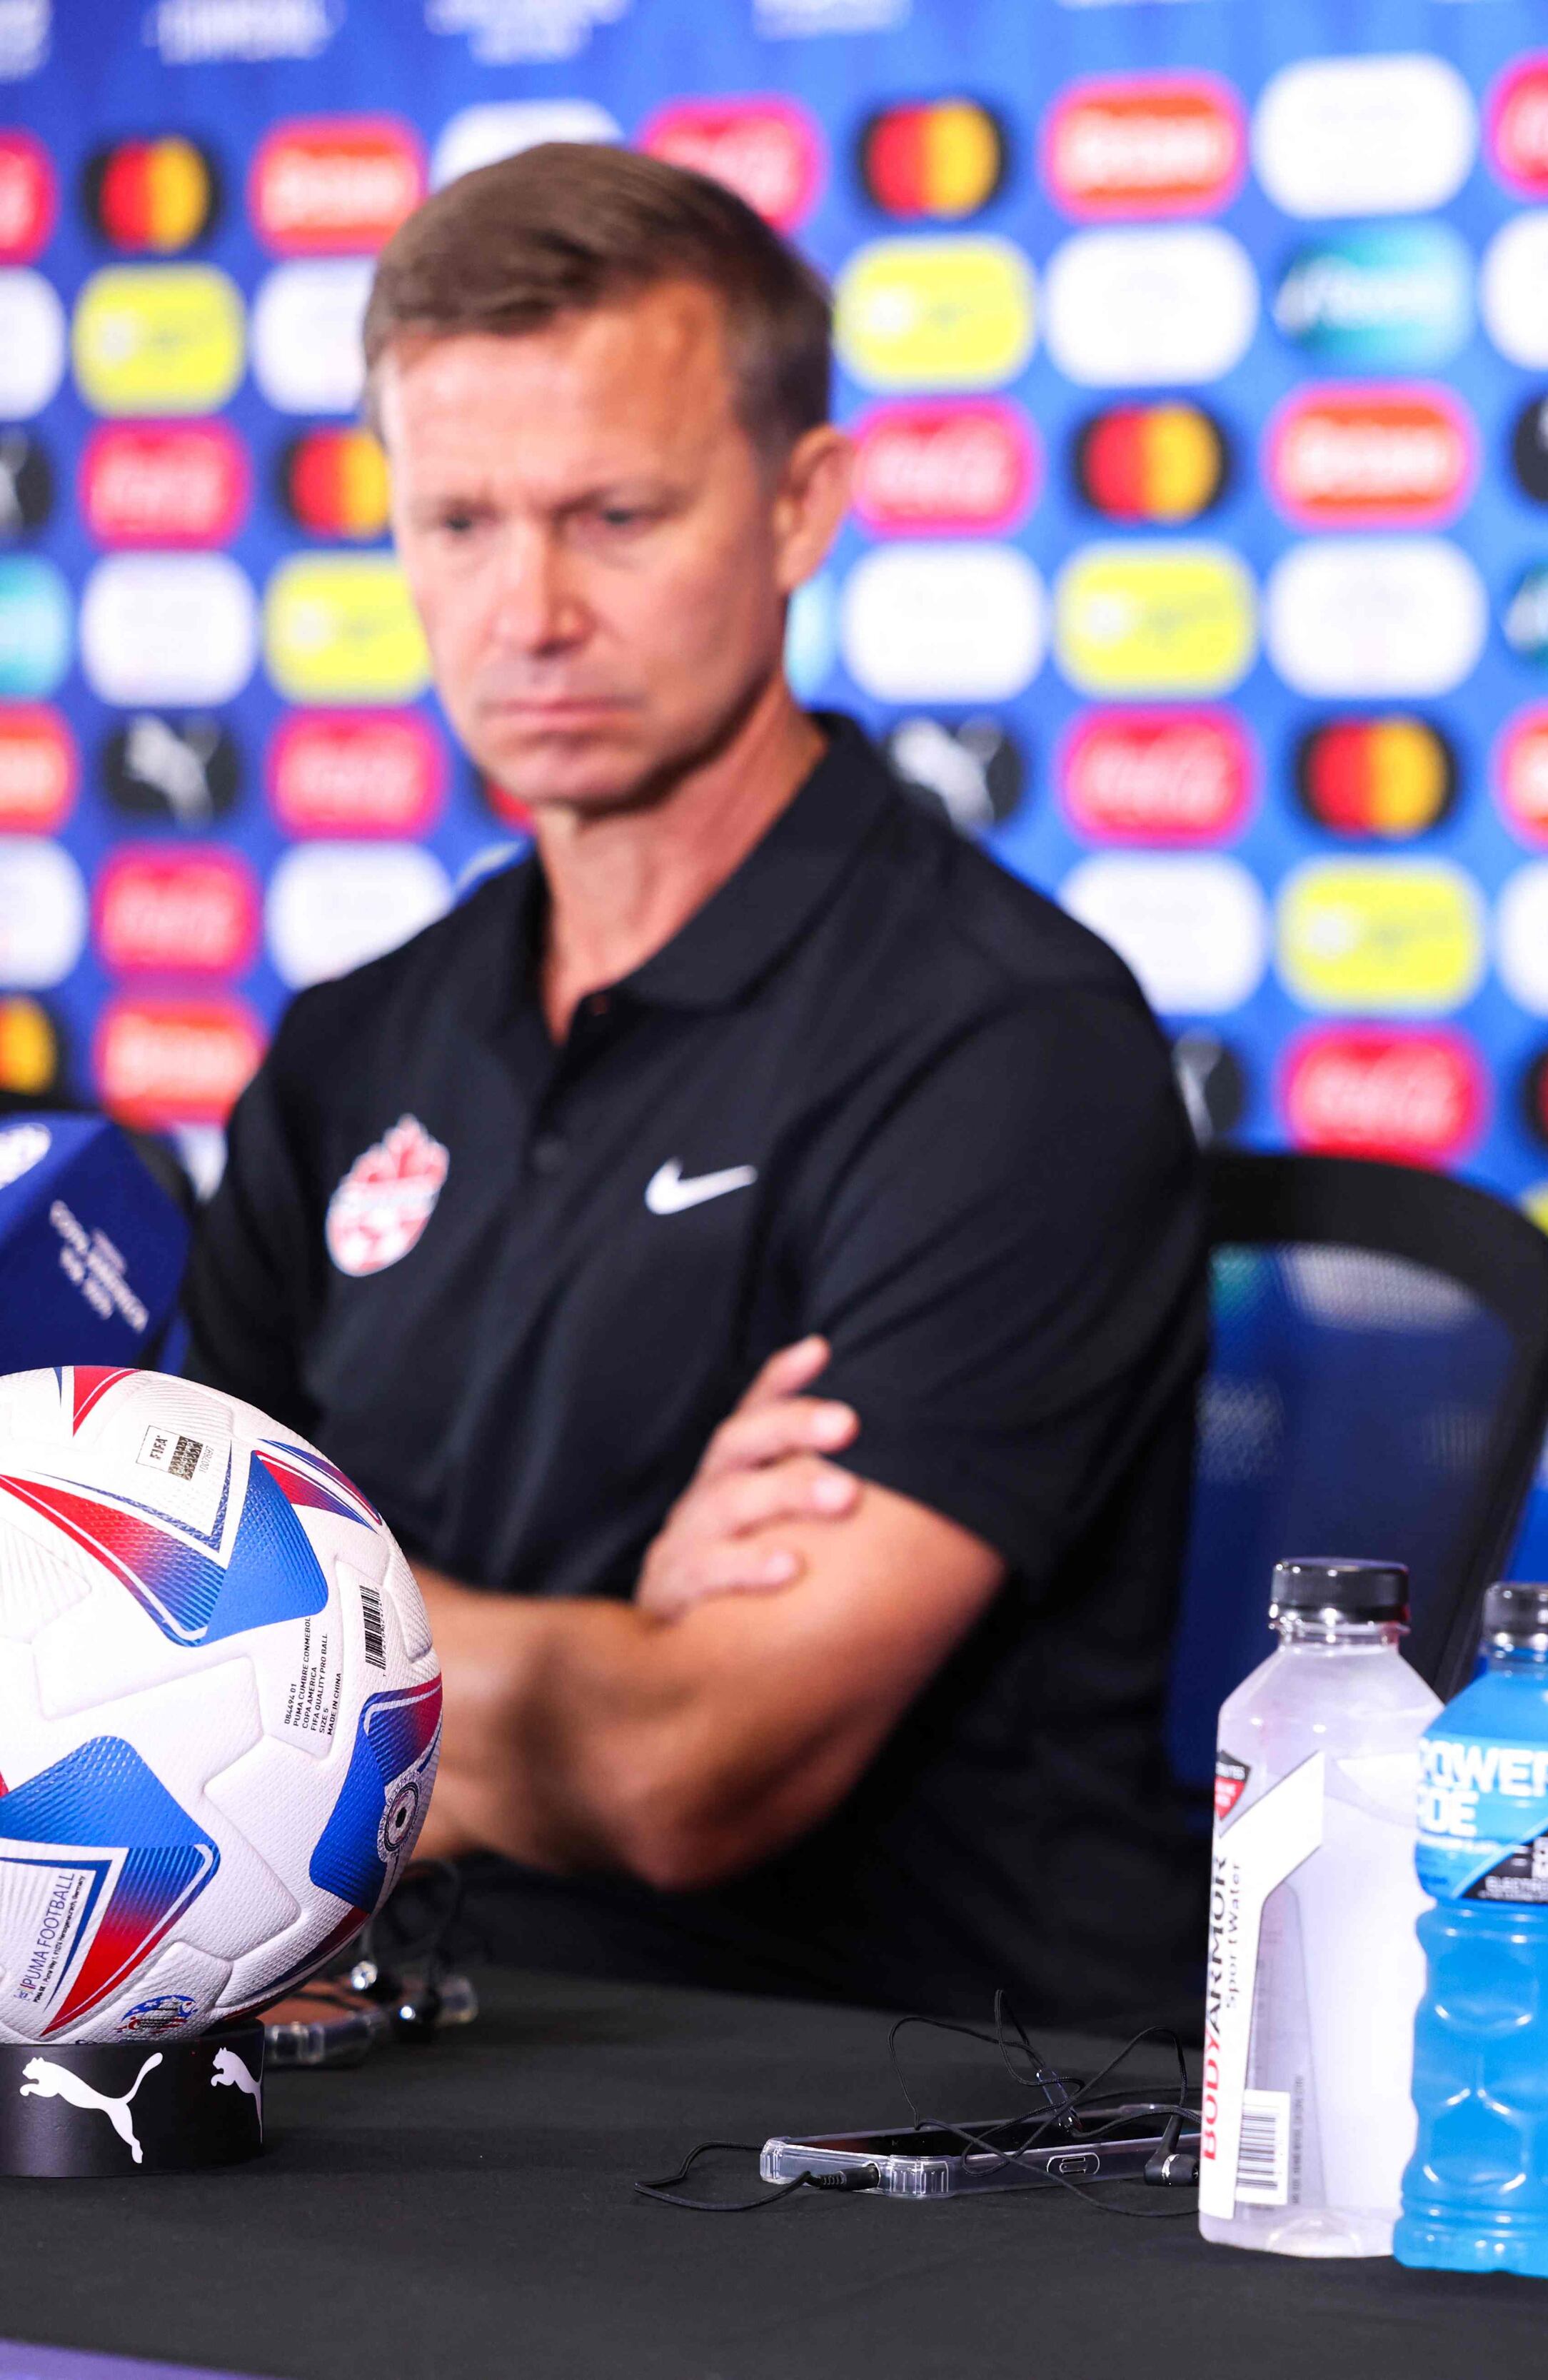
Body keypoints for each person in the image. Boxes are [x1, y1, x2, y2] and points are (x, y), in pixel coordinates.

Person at [176, 145, 1210, 2025]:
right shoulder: (355, 1045)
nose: (530, 610)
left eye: (616, 518)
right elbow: (107, 1656)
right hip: (407, 2074)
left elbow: (682, 1769)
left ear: (803, 504)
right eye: (460, 524)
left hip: (888, 2134)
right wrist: (595, 1641)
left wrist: (304, 1660)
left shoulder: (1009, 1046)